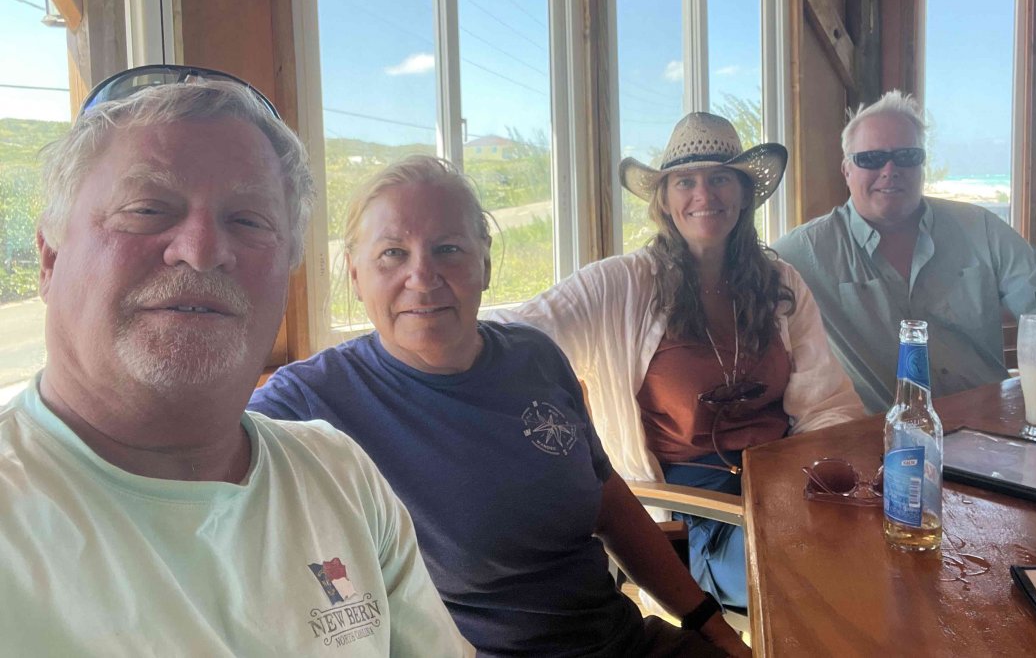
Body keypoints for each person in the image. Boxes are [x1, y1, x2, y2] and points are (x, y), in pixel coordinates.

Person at [0, 66, 470, 656]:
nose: (201, 251)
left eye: (248, 220)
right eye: (147, 209)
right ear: (49, 259)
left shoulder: (339, 476)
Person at [250, 156, 749, 658]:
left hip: (623, 641)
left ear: (485, 264)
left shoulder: (535, 357)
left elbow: (609, 504)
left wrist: (710, 624)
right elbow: (208, 473)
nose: (422, 276)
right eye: (392, 253)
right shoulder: (312, 398)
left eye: (448, 249)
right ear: (356, 275)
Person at [493, 112, 863, 613]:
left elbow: (825, 403)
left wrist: (824, 482)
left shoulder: (780, 283)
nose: (704, 194)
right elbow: (516, 334)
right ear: (664, 200)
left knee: (877, 545)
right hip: (693, 516)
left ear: (744, 194)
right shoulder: (621, 285)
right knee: (806, 573)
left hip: (786, 490)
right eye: (686, 181)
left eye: (721, 178)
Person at [772, 90, 1036, 413]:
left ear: (922, 165)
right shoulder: (802, 253)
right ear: (846, 170)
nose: (890, 170)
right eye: (871, 158)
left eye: (907, 156)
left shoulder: (982, 230)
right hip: (877, 446)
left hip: (990, 433)